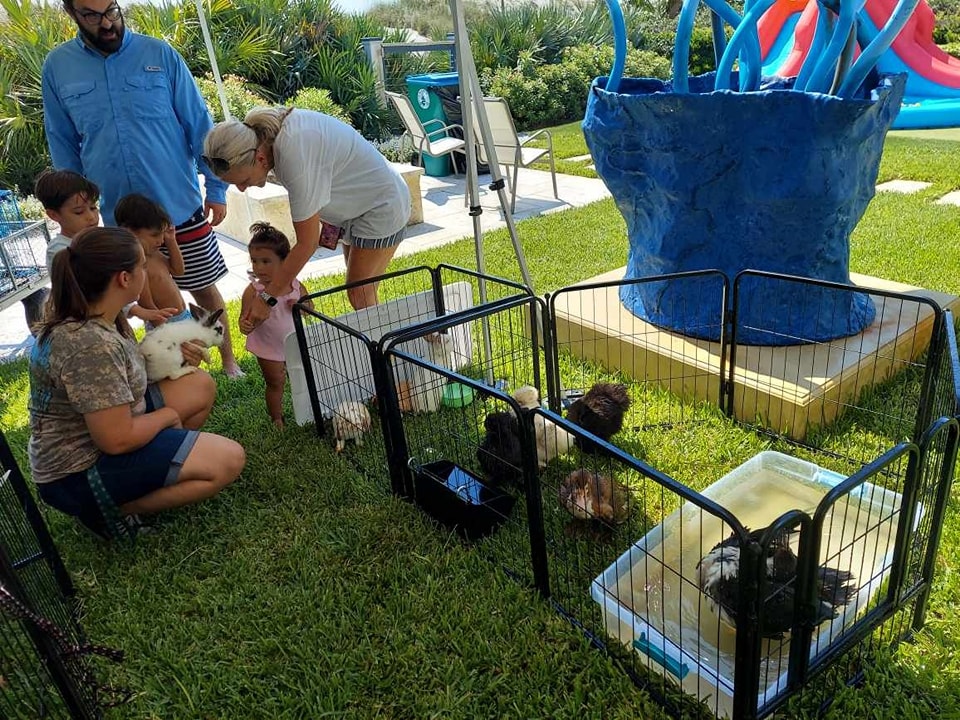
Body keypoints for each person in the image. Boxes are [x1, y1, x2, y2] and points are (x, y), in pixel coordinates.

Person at [40, 0, 244, 377]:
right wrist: (73, 210)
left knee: (204, 288)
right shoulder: (58, 67)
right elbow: (62, 142)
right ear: (71, 14)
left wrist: (215, 188)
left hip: (179, 205)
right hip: (117, 219)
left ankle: (230, 361)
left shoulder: (160, 54)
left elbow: (199, 124)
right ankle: (164, 366)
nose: (107, 23)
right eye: (92, 15)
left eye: (112, 11)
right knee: (137, 297)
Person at [27, 226, 246, 540]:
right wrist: (169, 419)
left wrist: (174, 355)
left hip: (109, 429)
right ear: (123, 279)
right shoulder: (90, 345)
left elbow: (123, 377)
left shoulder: (99, 315)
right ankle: (109, 510)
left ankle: (153, 474)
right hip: (78, 470)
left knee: (199, 384)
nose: (148, 271)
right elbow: (115, 439)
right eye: (143, 266)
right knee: (228, 460)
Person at [202, 106, 411, 325]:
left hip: (381, 206)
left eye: (243, 180)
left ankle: (410, 343)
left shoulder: (293, 153)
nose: (243, 189)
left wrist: (266, 299)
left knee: (359, 294)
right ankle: (421, 337)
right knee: (363, 295)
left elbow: (307, 243)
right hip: (359, 211)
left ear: (261, 159)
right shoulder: (276, 139)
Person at [238, 222, 312, 428]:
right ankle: (277, 418)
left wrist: (301, 305)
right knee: (275, 383)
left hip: (295, 343)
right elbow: (244, 321)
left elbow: (310, 308)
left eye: (266, 261)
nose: (258, 267)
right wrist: (247, 325)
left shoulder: (296, 285)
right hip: (268, 348)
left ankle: (307, 408)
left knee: (302, 378)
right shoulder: (253, 291)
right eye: (254, 261)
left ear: (285, 261)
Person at [115, 193, 189, 328]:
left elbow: (178, 271)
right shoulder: (139, 265)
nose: (161, 240)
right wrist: (165, 330)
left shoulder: (155, 254)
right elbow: (147, 304)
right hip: (164, 323)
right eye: (155, 235)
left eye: (162, 233)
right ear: (130, 231)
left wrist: (171, 241)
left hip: (182, 316)